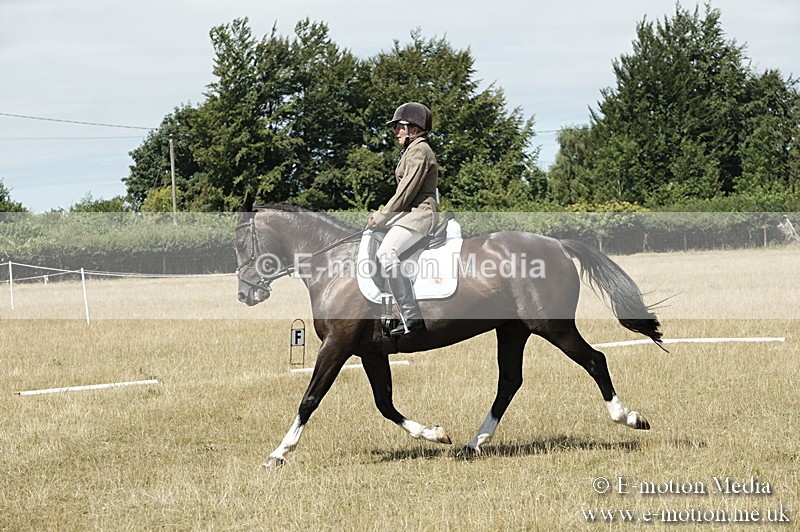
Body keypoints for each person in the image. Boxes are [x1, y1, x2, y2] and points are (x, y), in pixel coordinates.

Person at [366, 102, 439, 336]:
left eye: (399, 127)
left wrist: (382, 216)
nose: (396, 131)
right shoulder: (412, 150)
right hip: (410, 215)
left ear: (414, 129)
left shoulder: (419, 151)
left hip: (420, 215)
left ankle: (410, 316)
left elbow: (406, 192)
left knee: (386, 253)